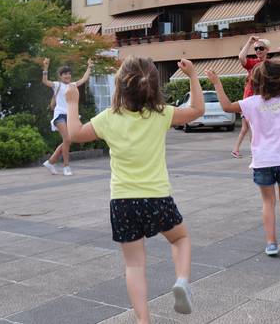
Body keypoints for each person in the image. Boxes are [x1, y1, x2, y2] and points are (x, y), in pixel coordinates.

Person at [66, 57, 204, 323]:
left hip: (123, 202)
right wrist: (193, 76)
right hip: (157, 198)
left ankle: (143, 319)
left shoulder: (108, 119)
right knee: (180, 239)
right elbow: (197, 109)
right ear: (153, 87)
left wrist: (72, 102)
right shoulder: (162, 113)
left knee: (134, 264)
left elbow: (74, 133)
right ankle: (182, 280)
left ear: (120, 87)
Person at [208, 61, 280, 256]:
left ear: (256, 82)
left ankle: (271, 244)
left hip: (262, 161)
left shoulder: (251, 103)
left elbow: (227, 106)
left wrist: (216, 83)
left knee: (268, 202)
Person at [231, 36, 280, 158]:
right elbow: (241, 57)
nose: (258, 50)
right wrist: (249, 41)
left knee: (254, 127)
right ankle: (255, 151)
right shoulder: (253, 63)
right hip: (250, 99)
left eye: (261, 48)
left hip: (263, 99)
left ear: (267, 50)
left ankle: (251, 150)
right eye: (256, 48)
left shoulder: (270, 64)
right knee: (253, 127)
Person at [41, 57, 93, 176]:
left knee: (68, 140)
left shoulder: (73, 85)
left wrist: (89, 67)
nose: (67, 76)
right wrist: (45, 67)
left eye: (69, 74)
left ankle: (50, 162)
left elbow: (84, 79)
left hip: (71, 116)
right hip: (60, 116)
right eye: (64, 74)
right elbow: (45, 81)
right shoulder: (57, 85)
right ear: (60, 76)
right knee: (68, 139)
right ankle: (66, 166)